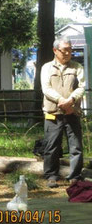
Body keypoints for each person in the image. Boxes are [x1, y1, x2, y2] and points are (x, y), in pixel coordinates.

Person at [41, 36, 85, 188]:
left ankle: (75, 176)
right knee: (51, 146)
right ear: (55, 50)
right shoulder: (46, 68)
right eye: (64, 50)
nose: (67, 53)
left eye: (70, 50)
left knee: (76, 146)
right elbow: (46, 89)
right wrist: (62, 100)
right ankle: (51, 176)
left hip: (72, 112)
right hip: (53, 113)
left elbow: (82, 87)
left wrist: (71, 101)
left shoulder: (77, 67)